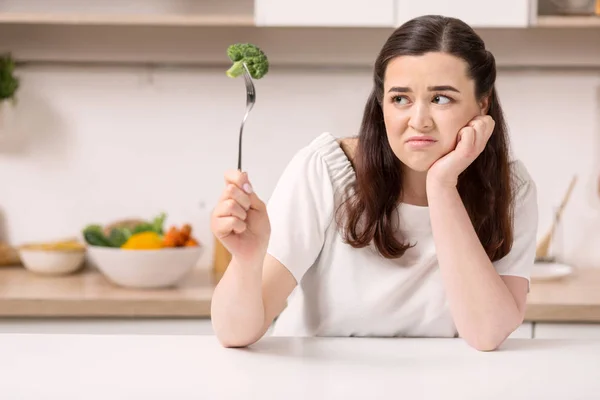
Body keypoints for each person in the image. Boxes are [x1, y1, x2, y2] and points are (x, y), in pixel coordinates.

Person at [209, 14, 538, 352]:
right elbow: (236, 333)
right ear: (382, 104)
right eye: (400, 99)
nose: (419, 121)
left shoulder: (510, 188)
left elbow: (487, 334)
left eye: (441, 98)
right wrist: (247, 260)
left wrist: (441, 186)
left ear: (482, 104)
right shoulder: (326, 170)